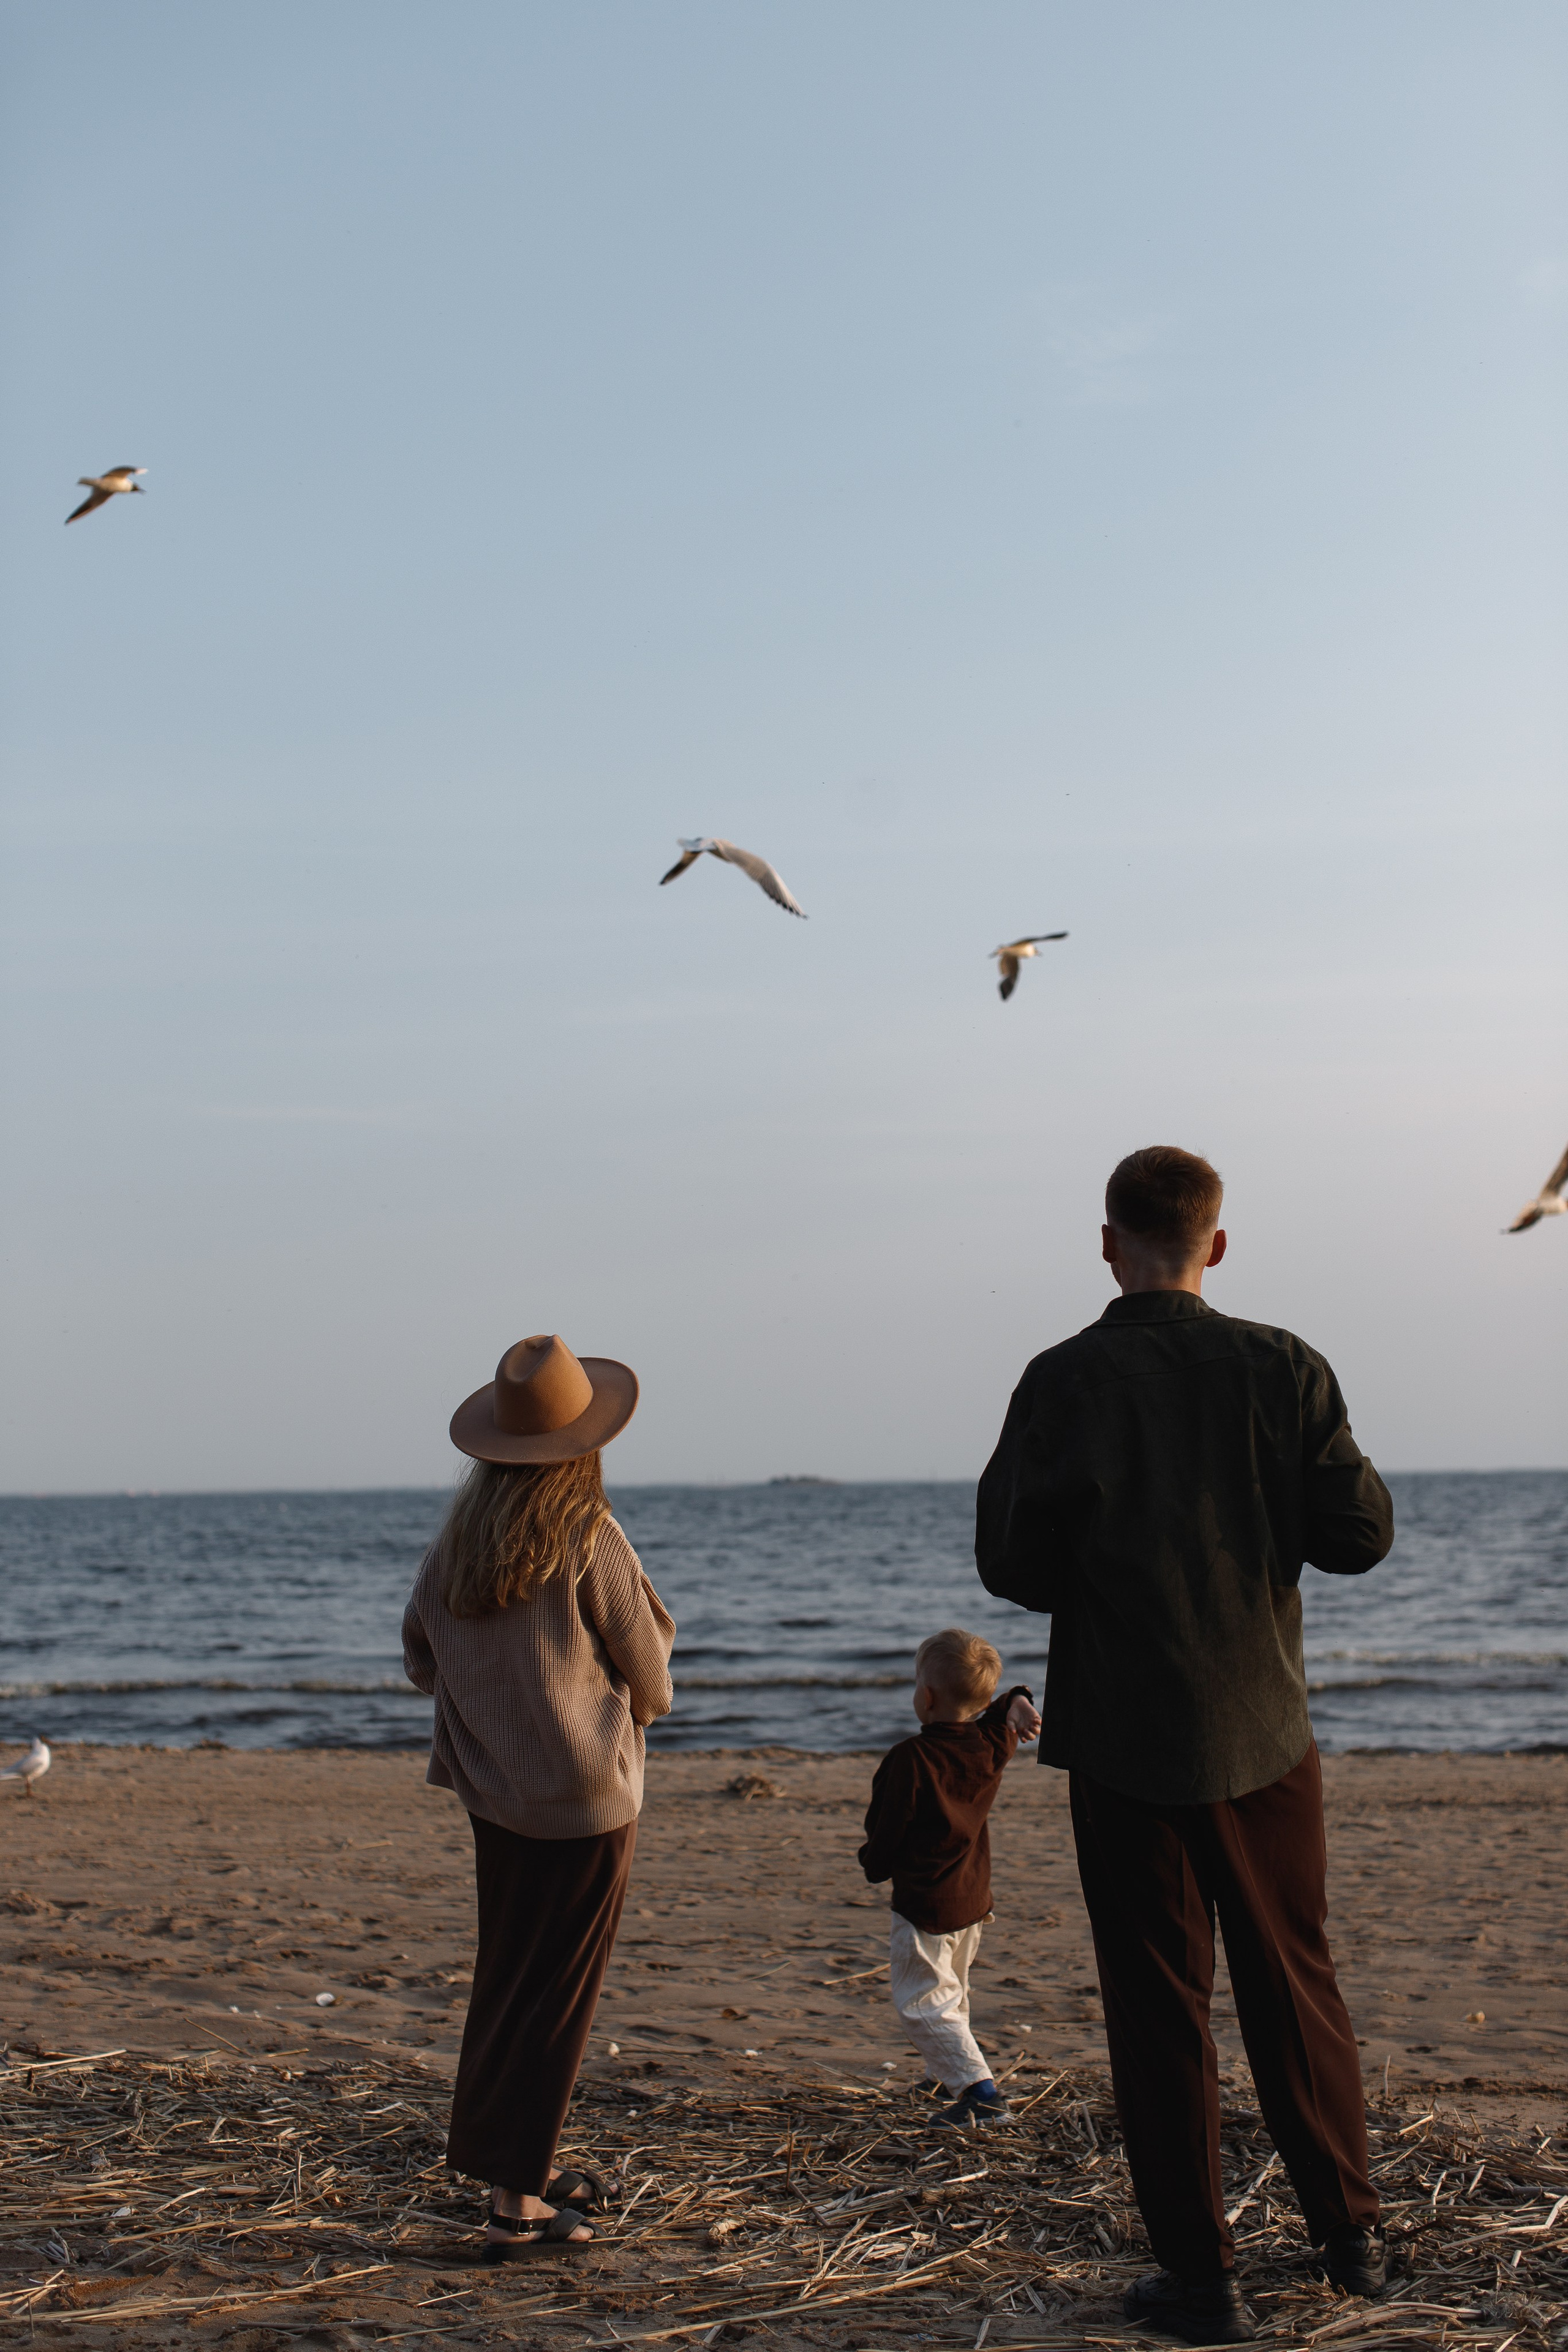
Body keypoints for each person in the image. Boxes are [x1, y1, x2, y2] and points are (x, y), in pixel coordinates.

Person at [976, 1146, 1393, 2346]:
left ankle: (1202, 2281)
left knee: (1158, 2006)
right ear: (1215, 1244)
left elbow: (1009, 1565)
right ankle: (1349, 2240)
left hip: (1121, 1735)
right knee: (1293, 1980)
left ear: (1108, 1244)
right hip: (1261, 1725)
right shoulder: (1282, 1366)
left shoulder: (1061, 1380)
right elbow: (1358, 1534)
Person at [402, 1332, 674, 2260]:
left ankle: (514, 2166)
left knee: (510, 1981)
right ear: (584, 1447)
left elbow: (419, 1657)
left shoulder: (456, 1546)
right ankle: (516, 2206)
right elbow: (650, 1672)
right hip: (586, 1799)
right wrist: (617, 1709)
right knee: (557, 1998)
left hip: (493, 1793)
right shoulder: (590, 1536)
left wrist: (494, 1702)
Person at [858, 1627, 1042, 2127]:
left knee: (923, 2002)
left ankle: (981, 2094)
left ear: (926, 1696)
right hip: (972, 1897)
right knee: (952, 1990)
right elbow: (1001, 1714)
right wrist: (1019, 1698)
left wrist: (874, 1863)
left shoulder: (911, 1759)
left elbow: (888, 1827)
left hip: (927, 1903)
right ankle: (947, 2074)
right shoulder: (992, 1744)